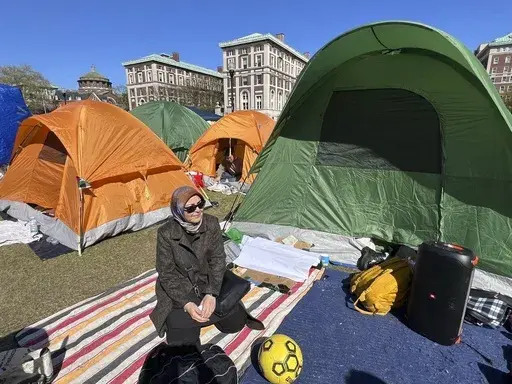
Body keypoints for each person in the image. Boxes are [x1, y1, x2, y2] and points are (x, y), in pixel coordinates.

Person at [150, 186, 264, 347]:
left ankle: (216, 308)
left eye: (200, 204)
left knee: (234, 324)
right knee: (183, 345)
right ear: (177, 211)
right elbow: (166, 273)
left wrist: (211, 293)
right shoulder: (166, 233)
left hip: (207, 282)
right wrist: (187, 304)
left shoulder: (211, 223)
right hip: (182, 288)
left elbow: (218, 260)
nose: (197, 210)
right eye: (190, 208)